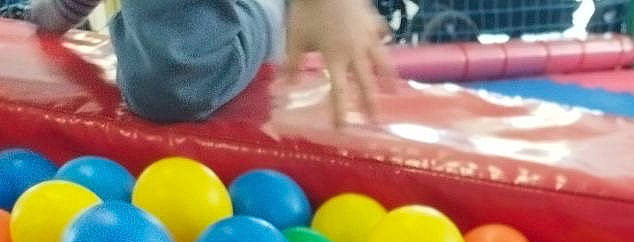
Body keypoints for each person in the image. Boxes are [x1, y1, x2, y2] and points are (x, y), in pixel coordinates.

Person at [26, 0, 394, 124]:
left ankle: (270, 11)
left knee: (180, 77)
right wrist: (45, 18)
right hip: (165, 58)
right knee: (166, 79)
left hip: (219, 46)